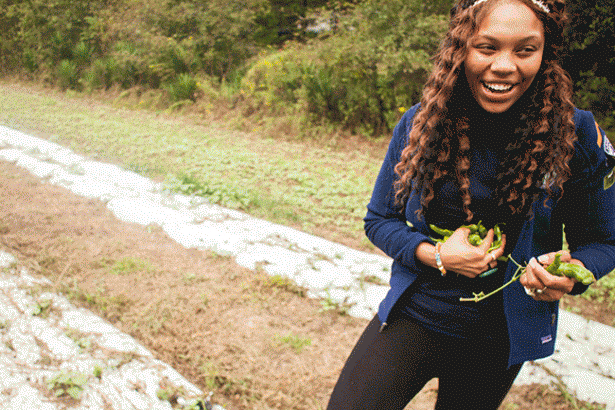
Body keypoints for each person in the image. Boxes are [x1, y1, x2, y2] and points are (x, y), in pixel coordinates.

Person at [326, 0, 615, 409]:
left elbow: (605, 241)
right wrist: (437, 254)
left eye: (525, 50)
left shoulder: (576, 135)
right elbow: (380, 220)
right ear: (461, 47)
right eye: (487, 47)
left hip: (497, 342)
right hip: (416, 316)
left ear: (545, 53)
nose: (504, 65)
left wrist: (572, 274)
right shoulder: (421, 123)